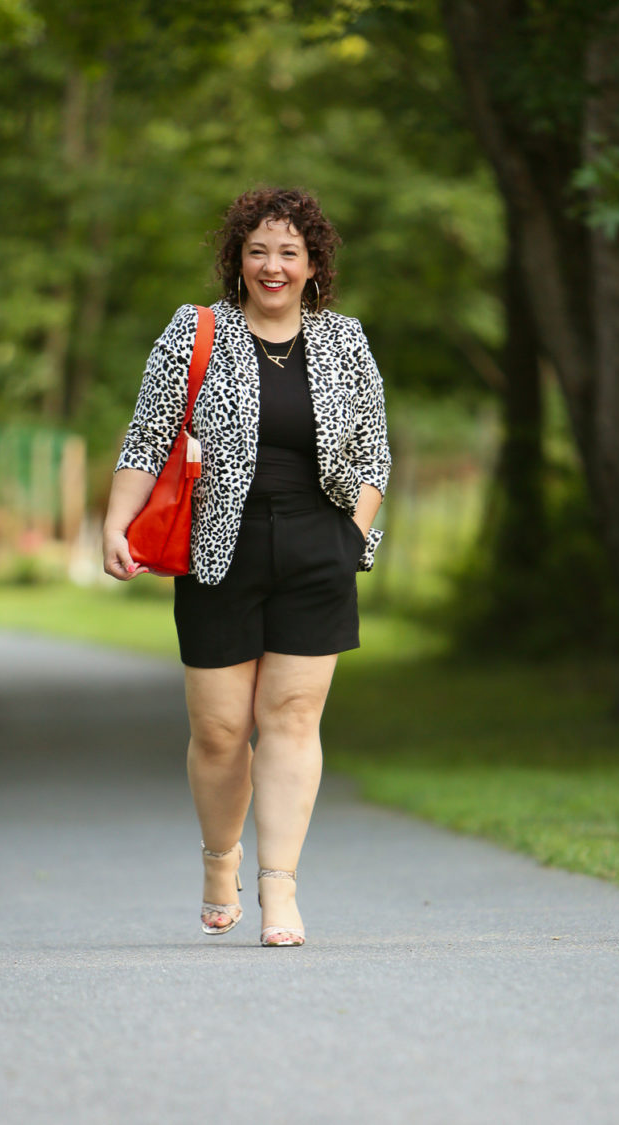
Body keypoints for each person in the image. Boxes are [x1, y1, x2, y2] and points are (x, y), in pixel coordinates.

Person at [103, 187, 390, 947]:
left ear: (312, 265)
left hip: (315, 544)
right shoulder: (193, 332)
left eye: (288, 252)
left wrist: (349, 539)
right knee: (222, 728)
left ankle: (280, 889)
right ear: (237, 259)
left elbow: (374, 454)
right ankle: (218, 857)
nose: (272, 265)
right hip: (214, 546)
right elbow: (147, 437)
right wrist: (114, 520)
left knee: (292, 719)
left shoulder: (345, 342)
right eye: (258, 250)